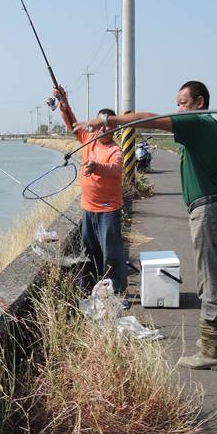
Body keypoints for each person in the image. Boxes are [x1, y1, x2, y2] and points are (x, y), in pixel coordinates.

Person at [73, 80, 217, 370]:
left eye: (182, 103)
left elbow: (146, 119)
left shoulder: (198, 122)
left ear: (199, 102)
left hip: (210, 211)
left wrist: (107, 120)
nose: (178, 109)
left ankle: (213, 351)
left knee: (210, 279)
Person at [54, 86, 127, 294]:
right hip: (88, 208)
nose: (102, 129)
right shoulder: (89, 139)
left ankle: (117, 289)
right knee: (90, 250)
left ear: (114, 128)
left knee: (111, 252)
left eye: (107, 125)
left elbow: (115, 169)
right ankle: (91, 285)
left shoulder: (115, 150)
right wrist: (63, 100)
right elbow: (72, 123)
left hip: (108, 210)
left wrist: (97, 167)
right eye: (99, 125)